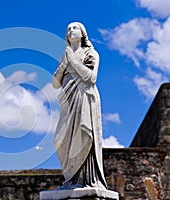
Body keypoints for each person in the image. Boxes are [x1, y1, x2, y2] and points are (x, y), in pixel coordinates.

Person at [52, 22, 107, 189]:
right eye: (68, 29)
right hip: (68, 100)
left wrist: (73, 61)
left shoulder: (91, 53)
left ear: (83, 33)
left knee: (83, 135)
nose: (70, 31)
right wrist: (63, 65)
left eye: (74, 28)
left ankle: (84, 180)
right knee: (60, 140)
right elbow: (55, 83)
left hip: (85, 98)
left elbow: (91, 78)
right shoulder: (65, 55)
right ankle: (70, 179)